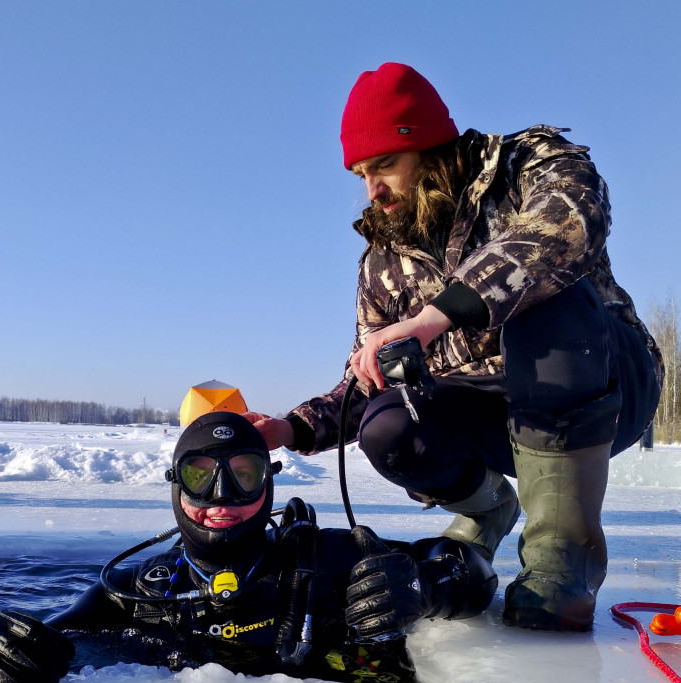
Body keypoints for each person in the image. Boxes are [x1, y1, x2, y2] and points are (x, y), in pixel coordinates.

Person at [247, 62, 664, 633]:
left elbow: (570, 224)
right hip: (494, 408)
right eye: (362, 174)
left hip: (603, 385)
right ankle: (489, 510)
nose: (373, 190)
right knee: (386, 422)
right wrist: (288, 430)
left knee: (544, 303)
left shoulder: (526, 164)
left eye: (386, 165)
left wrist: (432, 318)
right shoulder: (381, 261)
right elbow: (366, 374)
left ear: (430, 147)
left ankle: (559, 564)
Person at [0, 411, 497, 683]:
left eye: (243, 475)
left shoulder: (334, 560)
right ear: (175, 486)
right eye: (201, 477)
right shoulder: (137, 589)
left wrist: (428, 587)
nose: (221, 497)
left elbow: (469, 571)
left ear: (270, 486)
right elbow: (43, 642)